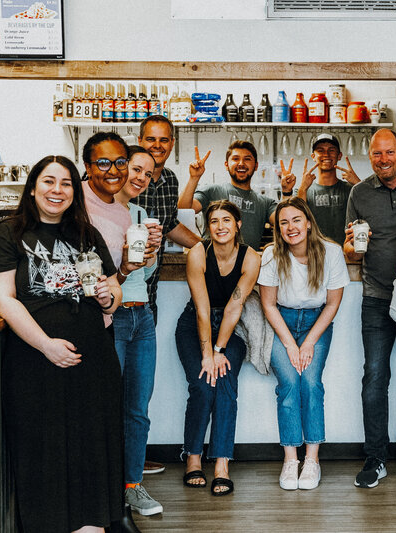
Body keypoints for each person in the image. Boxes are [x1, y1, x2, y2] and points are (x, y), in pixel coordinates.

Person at [0, 155, 123, 532]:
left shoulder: (86, 234)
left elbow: (112, 290)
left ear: (75, 192)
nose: (57, 190)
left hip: (94, 359)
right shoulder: (9, 233)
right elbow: (1, 299)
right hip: (35, 362)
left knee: (93, 446)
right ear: (32, 187)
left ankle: (92, 526)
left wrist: (110, 296)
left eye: (66, 184)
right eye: (48, 181)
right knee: (43, 450)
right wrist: (45, 344)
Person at [81, 134, 165, 516]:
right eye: (136, 168)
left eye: (149, 173)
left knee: (137, 409)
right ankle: (104, 490)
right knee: (105, 406)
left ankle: (132, 485)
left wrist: (152, 251)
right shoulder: (88, 206)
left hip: (140, 316)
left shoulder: (141, 215)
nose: (141, 177)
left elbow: (142, 275)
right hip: (108, 318)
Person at [344, 128, 396, 488]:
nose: (383, 160)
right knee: (375, 376)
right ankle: (375, 456)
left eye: (389, 152)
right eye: (377, 154)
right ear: (370, 157)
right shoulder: (359, 192)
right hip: (376, 295)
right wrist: (354, 249)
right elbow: (349, 250)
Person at [258, 197, 350, 490]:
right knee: (289, 385)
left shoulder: (332, 252)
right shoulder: (272, 254)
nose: (291, 227)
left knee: (311, 383)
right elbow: (268, 305)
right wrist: (290, 344)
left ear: (308, 222)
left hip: (317, 322)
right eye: (283, 222)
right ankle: (290, 460)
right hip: (281, 322)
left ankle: (312, 460)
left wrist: (308, 342)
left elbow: (333, 304)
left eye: (296, 220)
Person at [175, 200, 260, 496]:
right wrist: (207, 353)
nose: (221, 226)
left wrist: (219, 350)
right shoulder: (198, 253)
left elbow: (235, 307)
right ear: (207, 227)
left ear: (238, 225)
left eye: (227, 220)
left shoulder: (251, 258)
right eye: (214, 221)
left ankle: (222, 464)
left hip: (231, 328)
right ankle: (193, 458)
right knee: (201, 384)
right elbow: (201, 310)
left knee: (224, 383)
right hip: (193, 325)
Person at [133, 115, 201, 321]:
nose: (157, 145)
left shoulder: (170, 179)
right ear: (140, 141)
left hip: (149, 294)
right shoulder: (125, 179)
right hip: (117, 295)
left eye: (164, 140)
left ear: (172, 143)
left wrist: (205, 247)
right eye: (151, 139)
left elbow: (169, 224)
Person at [178, 140, 277, 249]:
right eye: (235, 159)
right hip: (210, 262)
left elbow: (286, 221)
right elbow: (182, 211)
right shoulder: (212, 191)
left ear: (256, 165)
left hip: (248, 264)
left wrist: (287, 193)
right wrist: (194, 178)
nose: (241, 163)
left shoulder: (266, 203)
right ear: (226, 165)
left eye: (247, 159)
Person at [279, 133, 360, 245]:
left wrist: (359, 184)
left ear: (339, 155)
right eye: (320, 150)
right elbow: (292, 221)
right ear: (313, 156)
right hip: (312, 256)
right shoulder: (303, 191)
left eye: (331, 150)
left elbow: (372, 213)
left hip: (345, 255)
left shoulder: (352, 189)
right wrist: (302, 188)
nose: (326, 154)